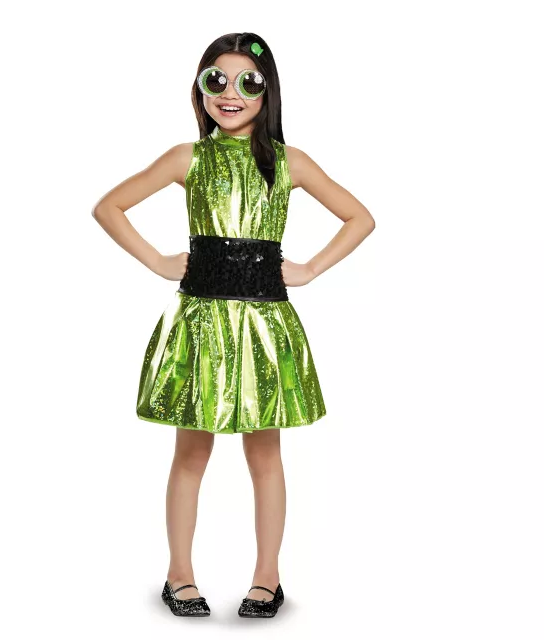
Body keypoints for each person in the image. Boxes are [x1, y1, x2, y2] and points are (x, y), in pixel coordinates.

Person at [92, 32, 375, 619]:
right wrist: (159, 261)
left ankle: (267, 578)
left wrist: (311, 268)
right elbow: (108, 207)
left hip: (265, 325)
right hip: (201, 321)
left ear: (267, 92)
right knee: (191, 453)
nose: (231, 93)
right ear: (200, 88)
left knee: (265, 455)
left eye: (247, 82)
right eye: (215, 80)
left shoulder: (290, 163)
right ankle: (179, 575)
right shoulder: (187, 158)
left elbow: (359, 217)